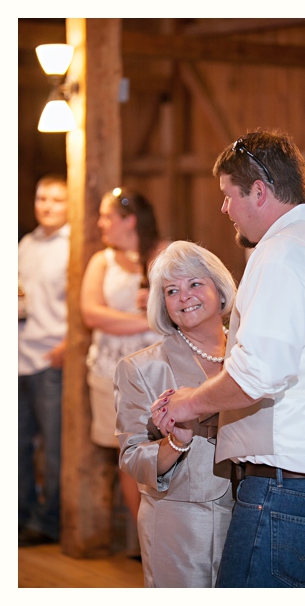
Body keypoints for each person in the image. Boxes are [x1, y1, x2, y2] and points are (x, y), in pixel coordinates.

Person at [151, 129, 305, 588]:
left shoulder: (283, 252)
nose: (224, 208)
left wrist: (189, 403)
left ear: (259, 191)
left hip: (293, 487)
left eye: (228, 196)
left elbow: (257, 373)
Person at [115, 241, 236, 587]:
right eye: (172, 290)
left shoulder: (249, 357)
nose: (184, 296)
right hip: (181, 521)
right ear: (163, 305)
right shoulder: (141, 369)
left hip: (255, 512)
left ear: (219, 289)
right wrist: (175, 443)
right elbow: (131, 457)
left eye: (195, 284)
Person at [80, 187, 167, 537]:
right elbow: (92, 314)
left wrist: (153, 310)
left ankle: (167, 533)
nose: (100, 223)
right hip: (110, 369)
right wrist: (149, 320)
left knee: (163, 448)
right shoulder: (101, 261)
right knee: (128, 453)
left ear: (129, 220)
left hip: (159, 369)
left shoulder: (161, 253)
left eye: (106, 216)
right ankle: (143, 536)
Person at [18, 175, 69, 547]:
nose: (47, 205)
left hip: (52, 357)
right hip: (18, 354)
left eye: (55, 199)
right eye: (41, 198)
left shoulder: (73, 246)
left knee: (54, 447)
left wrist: (68, 345)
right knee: (17, 444)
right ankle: (19, 513)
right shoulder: (26, 244)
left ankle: (48, 521)